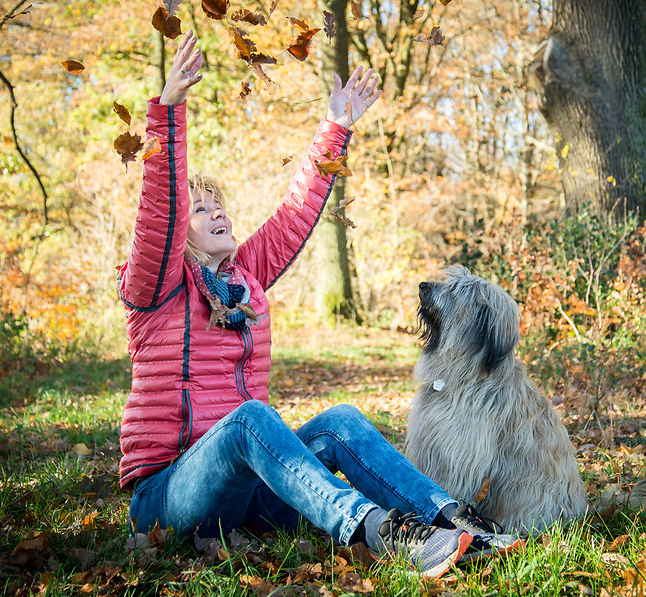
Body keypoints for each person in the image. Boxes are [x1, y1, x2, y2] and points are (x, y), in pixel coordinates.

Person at [116, 32, 519, 578]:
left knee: (341, 421)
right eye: (200, 210)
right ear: (178, 234)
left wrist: (337, 127)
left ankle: (454, 520)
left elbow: (291, 218)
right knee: (250, 419)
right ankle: (382, 533)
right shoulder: (153, 287)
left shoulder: (244, 279)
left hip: (244, 496)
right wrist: (168, 114)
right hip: (169, 498)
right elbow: (158, 213)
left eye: (220, 206)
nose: (218, 215)